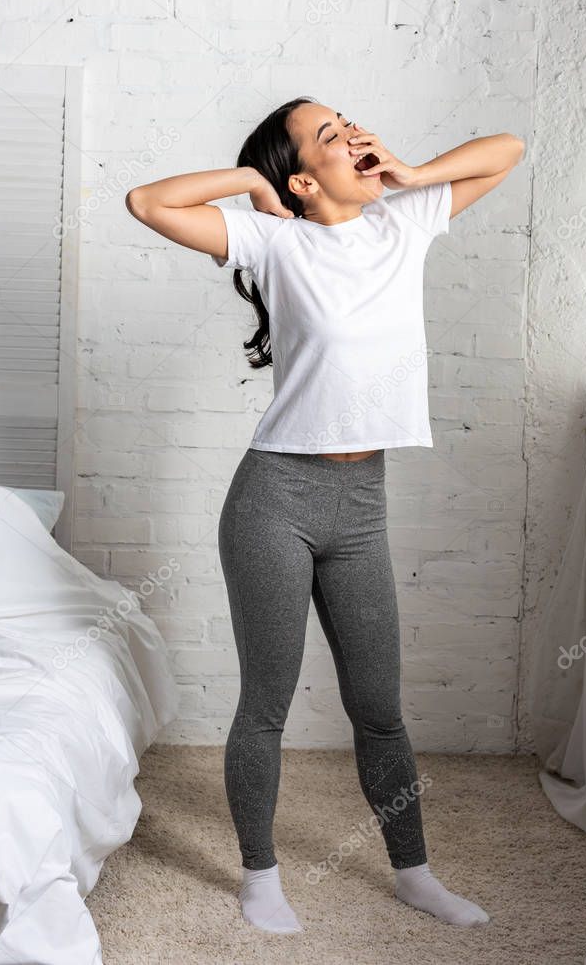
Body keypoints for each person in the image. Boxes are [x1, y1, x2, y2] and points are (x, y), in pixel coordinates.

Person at [125, 97, 524, 935]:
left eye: (353, 122)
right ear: (304, 179)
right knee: (265, 704)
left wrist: (412, 170)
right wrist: (251, 185)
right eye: (332, 135)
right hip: (275, 501)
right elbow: (147, 202)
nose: (357, 134)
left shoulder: (404, 223)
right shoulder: (278, 241)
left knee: (379, 707)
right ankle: (260, 876)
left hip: (363, 506)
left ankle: (413, 871)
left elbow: (508, 148)